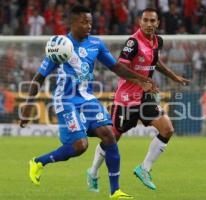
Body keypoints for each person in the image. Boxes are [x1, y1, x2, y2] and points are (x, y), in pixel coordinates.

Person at [19, 5, 157, 199]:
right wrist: (27, 107)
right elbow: (38, 78)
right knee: (80, 146)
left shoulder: (95, 43)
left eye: (91, 21)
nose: (89, 25)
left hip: (87, 98)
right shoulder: (61, 45)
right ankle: (38, 162)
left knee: (109, 135)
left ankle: (115, 191)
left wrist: (140, 80)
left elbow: (116, 67)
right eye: (84, 22)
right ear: (72, 23)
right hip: (65, 100)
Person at [86, 8, 190, 192]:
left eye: (153, 21)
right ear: (139, 22)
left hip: (145, 96)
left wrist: (174, 77)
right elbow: (119, 67)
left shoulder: (158, 41)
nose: (149, 24)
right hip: (125, 99)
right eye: (146, 20)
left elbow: (155, 62)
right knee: (112, 138)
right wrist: (140, 81)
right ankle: (93, 171)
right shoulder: (132, 43)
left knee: (167, 129)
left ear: (158, 23)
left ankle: (144, 169)